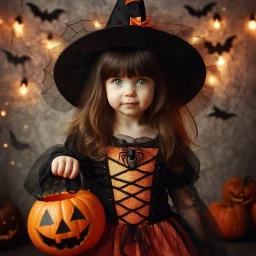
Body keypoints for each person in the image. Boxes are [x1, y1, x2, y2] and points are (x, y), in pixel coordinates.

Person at [24, 0, 227, 255]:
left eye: (141, 80)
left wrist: (203, 244)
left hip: (160, 240)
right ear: (103, 86)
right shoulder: (90, 135)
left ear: (157, 86)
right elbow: (65, 185)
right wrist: (62, 159)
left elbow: (184, 201)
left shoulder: (166, 138)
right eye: (117, 81)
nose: (129, 92)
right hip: (103, 237)